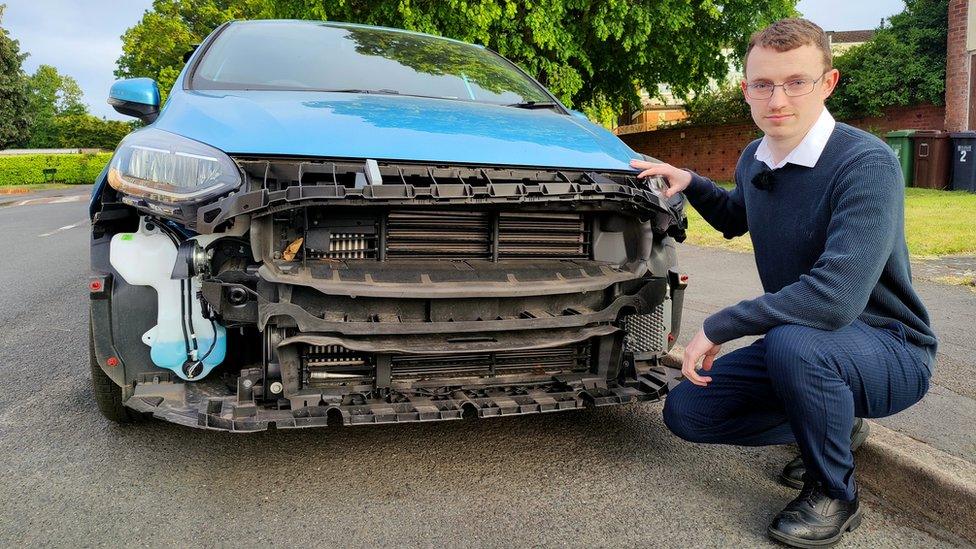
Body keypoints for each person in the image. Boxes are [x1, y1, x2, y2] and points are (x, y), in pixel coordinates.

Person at [630, 18, 937, 548]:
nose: (778, 98)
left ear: (828, 83)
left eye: (796, 81)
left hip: (890, 347)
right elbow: (734, 217)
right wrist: (693, 181)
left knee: (793, 343)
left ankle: (833, 492)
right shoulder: (755, 155)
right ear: (746, 88)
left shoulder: (866, 163)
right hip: (807, 347)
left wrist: (723, 324)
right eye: (763, 84)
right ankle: (834, 425)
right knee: (689, 412)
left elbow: (836, 299)